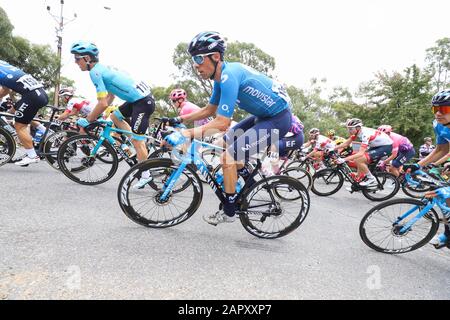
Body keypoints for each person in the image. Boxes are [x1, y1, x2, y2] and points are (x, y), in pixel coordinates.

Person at [163, 31, 294, 226]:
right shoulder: (219, 78)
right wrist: (178, 118)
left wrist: (186, 133)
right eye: (193, 60)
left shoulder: (228, 76)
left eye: (198, 58)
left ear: (215, 57)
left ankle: (230, 210)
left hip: (277, 120)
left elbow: (222, 123)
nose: (195, 64)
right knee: (221, 143)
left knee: (228, 158)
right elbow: (209, 110)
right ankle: (245, 179)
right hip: (262, 116)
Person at [70, 41, 155, 189]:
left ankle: (146, 175)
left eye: (77, 58)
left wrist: (89, 119)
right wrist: (93, 116)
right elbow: (109, 98)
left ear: (87, 58)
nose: (75, 62)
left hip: (142, 102)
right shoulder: (102, 70)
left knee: (138, 141)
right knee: (115, 117)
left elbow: (103, 103)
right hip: (136, 100)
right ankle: (133, 142)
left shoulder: (95, 72)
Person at [410, 89, 450, 248]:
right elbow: (441, 150)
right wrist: (417, 165)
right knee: (447, 199)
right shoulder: (438, 125)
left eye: (444, 109)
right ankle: (447, 235)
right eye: (435, 109)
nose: (438, 113)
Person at [0, 60, 49, 166]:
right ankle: (46, 131)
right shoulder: (4, 66)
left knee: (19, 126)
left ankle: (32, 156)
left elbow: (4, 91)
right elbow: (5, 90)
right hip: (40, 93)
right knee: (18, 112)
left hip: (31, 96)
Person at [336, 119, 393, 187]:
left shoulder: (365, 134)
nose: (349, 131)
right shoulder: (357, 132)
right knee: (359, 159)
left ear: (358, 128)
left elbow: (360, 153)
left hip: (385, 147)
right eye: (348, 129)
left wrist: (344, 159)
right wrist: (332, 148)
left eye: (351, 129)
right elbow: (346, 143)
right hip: (377, 146)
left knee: (359, 159)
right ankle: (359, 178)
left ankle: (371, 178)